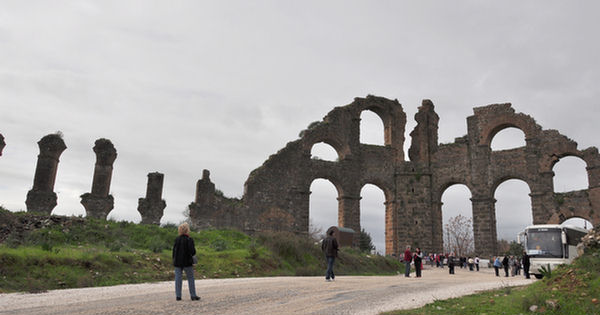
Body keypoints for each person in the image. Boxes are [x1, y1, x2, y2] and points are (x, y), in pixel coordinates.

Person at [172, 223, 200, 301]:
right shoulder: (189, 239)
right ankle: (193, 295)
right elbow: (193, 251)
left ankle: (178, 296)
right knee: (190, 278)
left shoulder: (177, 239)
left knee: (178, 279)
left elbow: (174, 251)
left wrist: (174, 260)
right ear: (187, 230)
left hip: (177, 262)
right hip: (187, 262)